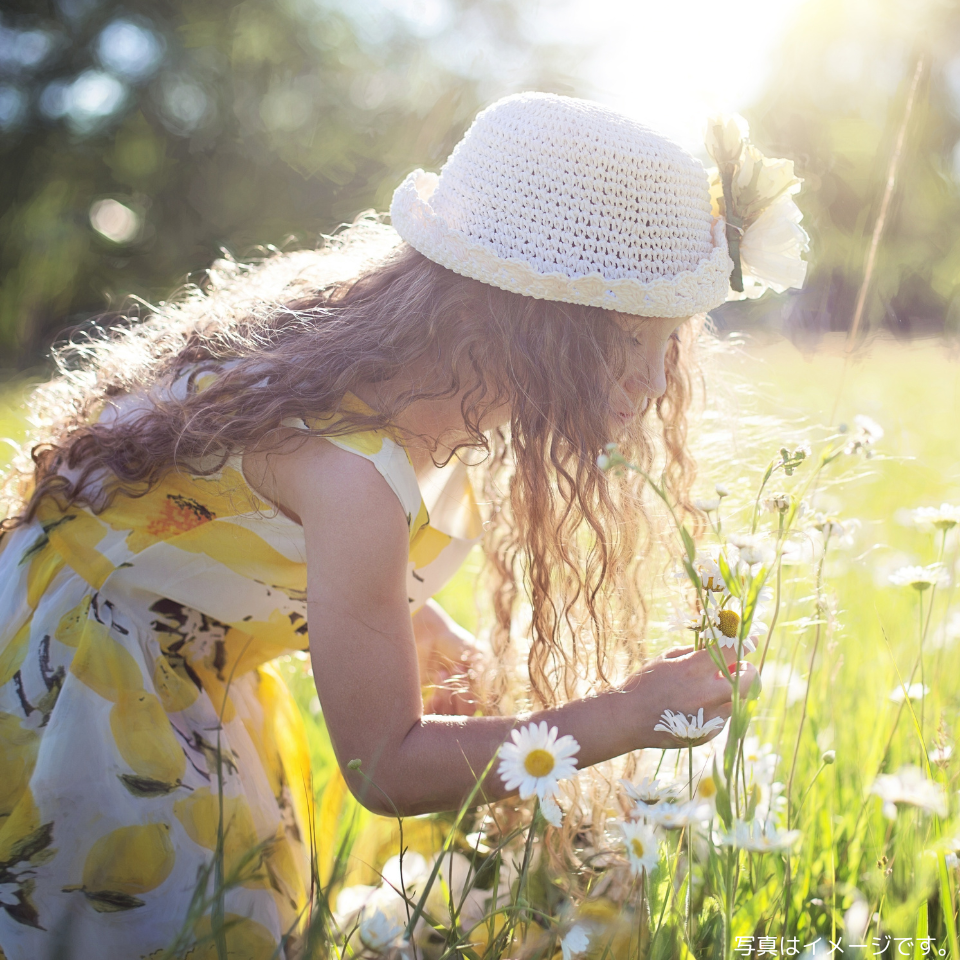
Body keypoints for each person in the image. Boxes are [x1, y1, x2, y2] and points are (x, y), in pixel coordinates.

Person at [0, 92, 758, 959]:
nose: (663, 383)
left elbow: (219, 533)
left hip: (169, 647)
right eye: (638, 343)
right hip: (93, 696)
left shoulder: (392, 368)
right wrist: (625, 715)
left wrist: (413, 622)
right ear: (539, 329)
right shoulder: (353, 469)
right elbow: (383, 768)